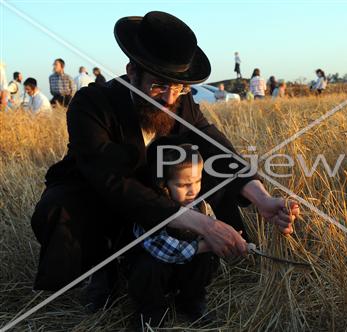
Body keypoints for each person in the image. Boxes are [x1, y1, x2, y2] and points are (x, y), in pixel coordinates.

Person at [30, 11, 299, 321]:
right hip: (101, 193)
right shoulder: (92, 104)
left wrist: (262, 198)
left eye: (179, 88)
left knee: (201, 170)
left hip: (157, 190)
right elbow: (112, 182)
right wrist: (204, 225)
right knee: (60, 207)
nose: (169, 99)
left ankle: (186, 279)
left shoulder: (180, 100)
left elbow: (216, 148)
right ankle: (102, 269)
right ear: (132, 72)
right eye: (158, 86)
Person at [129, 142, 218, 325]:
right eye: (183, 184)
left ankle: (191, 300)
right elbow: (164, 250)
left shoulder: (200, 205)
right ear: (164, 184)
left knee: (206, 258)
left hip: (183, 271)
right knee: (148, 266)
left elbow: (213, 227)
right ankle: (151, 315)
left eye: (197, 181)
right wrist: (205, 245)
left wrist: (219, 238)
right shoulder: (152, 209)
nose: (193, 190)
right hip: (157, 273)